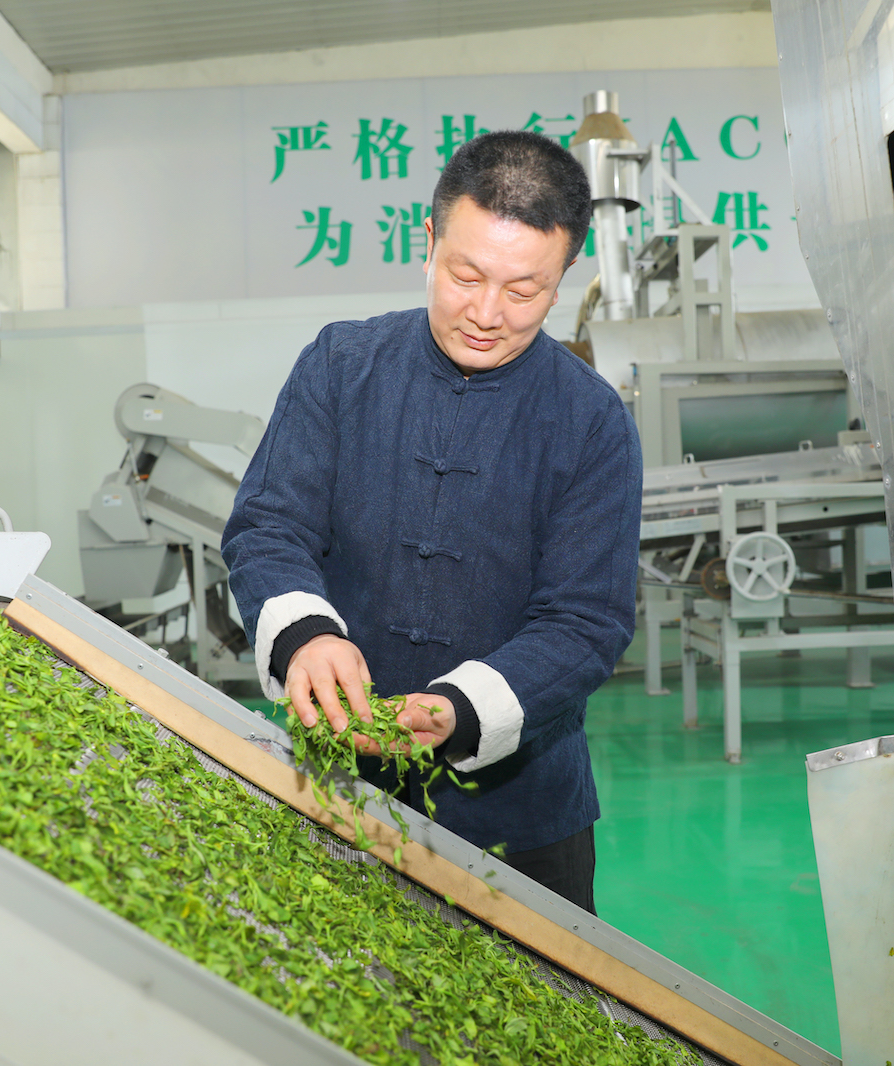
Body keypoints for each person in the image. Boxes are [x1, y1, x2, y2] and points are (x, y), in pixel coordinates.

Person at [221, 131, 642, 914]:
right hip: (336, 795)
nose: (486, 314)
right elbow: (270, 526)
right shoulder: (341, 366)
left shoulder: (592, 421)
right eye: (465, 276)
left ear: (561, 281)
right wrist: (306, 636)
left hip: (522, 826)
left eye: (523, 291)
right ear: (428, 242)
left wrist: (460, 710)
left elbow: (587, 621)